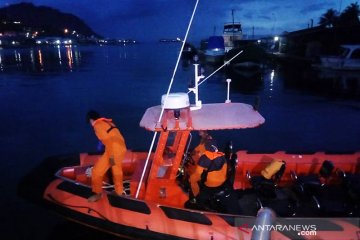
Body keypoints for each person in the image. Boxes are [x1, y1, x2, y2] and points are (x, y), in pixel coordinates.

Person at [86, 110, 127, 202]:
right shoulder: (107, 122)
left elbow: (105, 138)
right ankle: (98, 193)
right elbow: (111, 137)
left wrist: (101, 147)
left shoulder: (97, 125)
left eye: (89, 122)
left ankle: (119, 192)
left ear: (91, 120)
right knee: (97, 171)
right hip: (113, 149)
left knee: (115, 169)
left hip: (113, 151)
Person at [189, 138, 228, 207]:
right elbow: (225, 169)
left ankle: (196, 197)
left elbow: (198, 174)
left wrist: (191, 178)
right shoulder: (222, 156)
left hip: (211, 184)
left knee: (192, 180)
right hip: (222, 181)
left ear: (206, 147)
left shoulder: (204, 158)